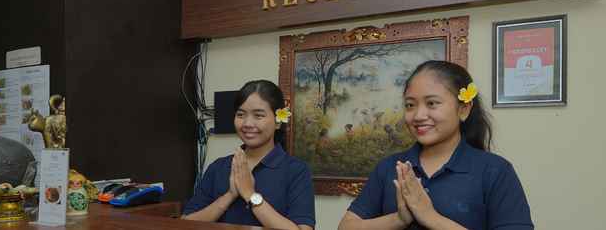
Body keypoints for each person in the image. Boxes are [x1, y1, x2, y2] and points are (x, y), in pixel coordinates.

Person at [338, 61, 533, 230]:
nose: (418, 116)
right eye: (410, 105)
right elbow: (347, 226)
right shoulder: (389, 167)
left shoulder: (495, 171)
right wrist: (398, 219)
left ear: (464, 109)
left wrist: (431, 217)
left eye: (432, 103)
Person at [182, 80, 316, 230]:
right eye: (241, 114)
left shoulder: (296, 170)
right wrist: (229, 195)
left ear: (278, 122)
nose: (247, 123)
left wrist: (250, 195)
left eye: (258, 116)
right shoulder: (218, 167)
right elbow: (185, 223)